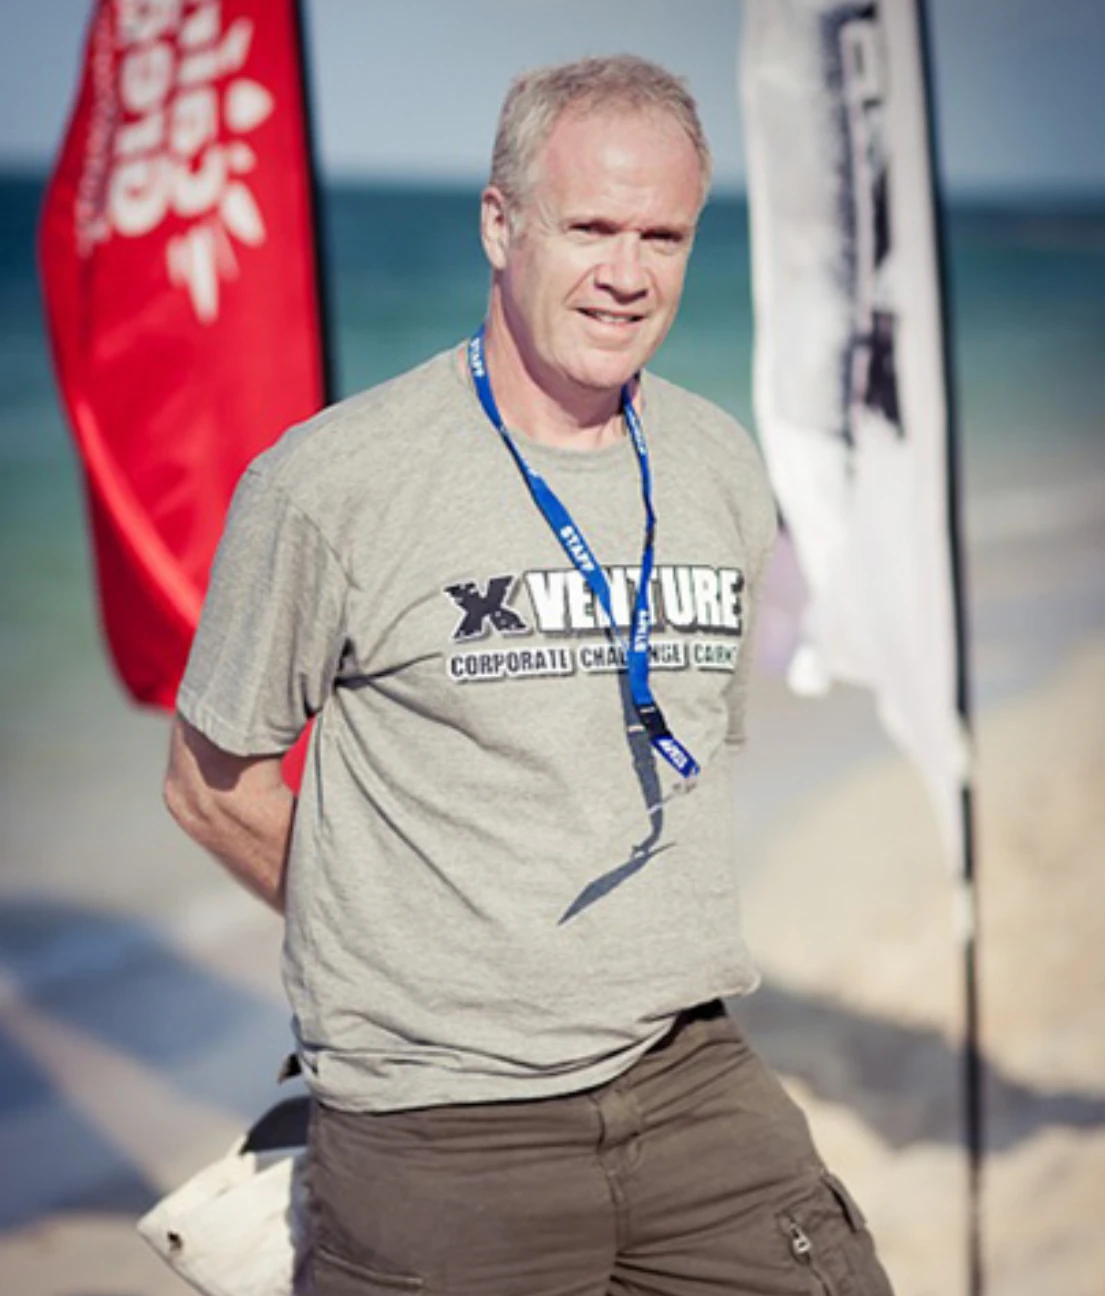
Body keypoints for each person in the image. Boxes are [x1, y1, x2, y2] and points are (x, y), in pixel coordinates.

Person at [165, 54, 895, 1296]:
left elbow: (684, 752)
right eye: (590, 228)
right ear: (501, 226)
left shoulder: (719, 466)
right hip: (438, 1122)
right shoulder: (329, 485)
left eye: (662, 236)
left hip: (687, 1075)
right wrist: (403, 946)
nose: (627, 273)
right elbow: (207, 783)